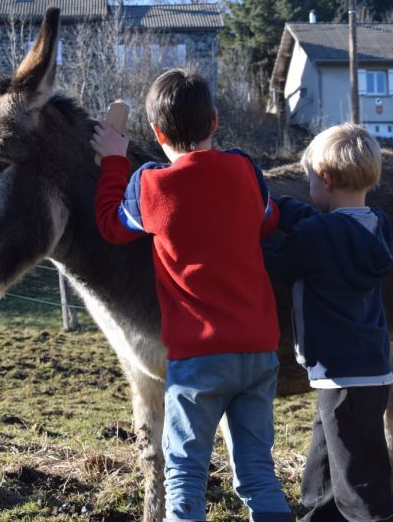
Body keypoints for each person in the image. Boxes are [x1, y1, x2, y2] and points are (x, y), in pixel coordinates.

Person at [90, 68, 294, 522]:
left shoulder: (151, 186)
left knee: (185, 475)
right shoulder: (244, 170)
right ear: (215, 122)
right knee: (258, 472)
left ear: (157, 132)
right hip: (259, 352)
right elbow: (268, 221)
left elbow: (109, 223)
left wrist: (113, 160)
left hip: (198, 357)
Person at [270, 123, 393, 521]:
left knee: (359, 490)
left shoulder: (318, 234)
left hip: (341, 374)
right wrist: (278, 208)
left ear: (325, 179)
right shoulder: (377, 225)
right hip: (370, 372)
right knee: (324, 474)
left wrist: (250, 230)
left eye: (309, 178)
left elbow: (276, 262)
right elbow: (317, 222)